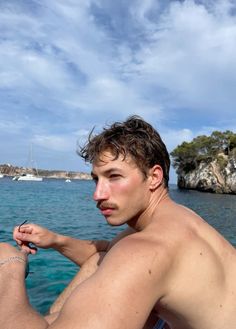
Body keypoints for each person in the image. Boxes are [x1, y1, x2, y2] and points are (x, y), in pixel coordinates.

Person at [1, 115, 236, 329]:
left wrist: (10, 265)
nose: (98, 194)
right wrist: (54, 240)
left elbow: (129, 261)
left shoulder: (146, 249)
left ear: (154, 177)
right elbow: (109, 254)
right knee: (99, 258)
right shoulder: (180, 220)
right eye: (96, 179)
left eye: (114, 176)